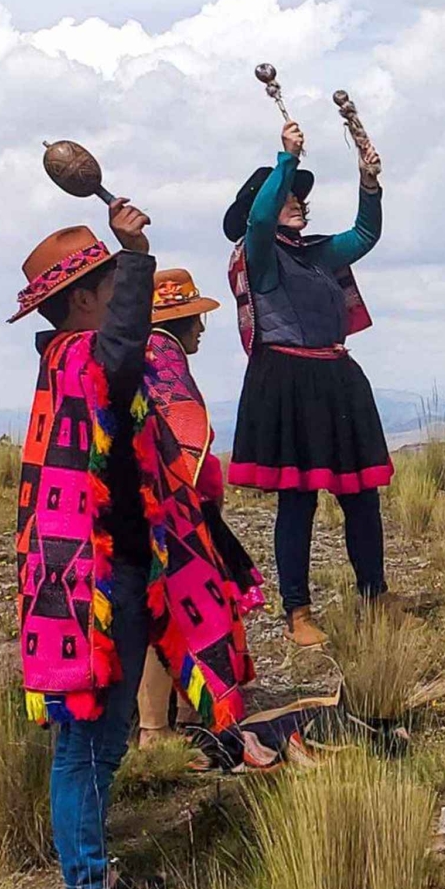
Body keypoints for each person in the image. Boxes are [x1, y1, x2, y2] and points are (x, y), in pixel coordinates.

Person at [12, 212, 255, 889]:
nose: (123, 294)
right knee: (86, 743)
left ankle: (91, 871)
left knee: (100, 740)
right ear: (86, 299)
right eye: (112, 283)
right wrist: (138, 252)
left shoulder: (72, 365)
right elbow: (121, 353)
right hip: (96, 578)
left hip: (107, 570)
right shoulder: (82, 359)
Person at [225, 120, 393, 646]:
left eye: (299, 196)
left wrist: (369, 183)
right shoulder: (259, 256)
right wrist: (287, 159)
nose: (298, 201)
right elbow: (258, 221)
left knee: (362, 496)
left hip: (336, 378)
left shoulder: (317, 253)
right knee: (297, 501)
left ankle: (376, 596)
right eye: (288, 196)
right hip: (289, 381)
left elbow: (364, 235)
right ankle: (297, 612)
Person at [135, 269, 265, 749]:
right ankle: (156, 728)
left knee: (170, 610)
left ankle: (182, 713)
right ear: (179, 323)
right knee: (172, 610)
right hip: (175, 510)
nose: (202, 330)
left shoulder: (147, 358)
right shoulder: (162, 361)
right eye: (196, 319)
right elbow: (185, 445)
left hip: (164, 506)